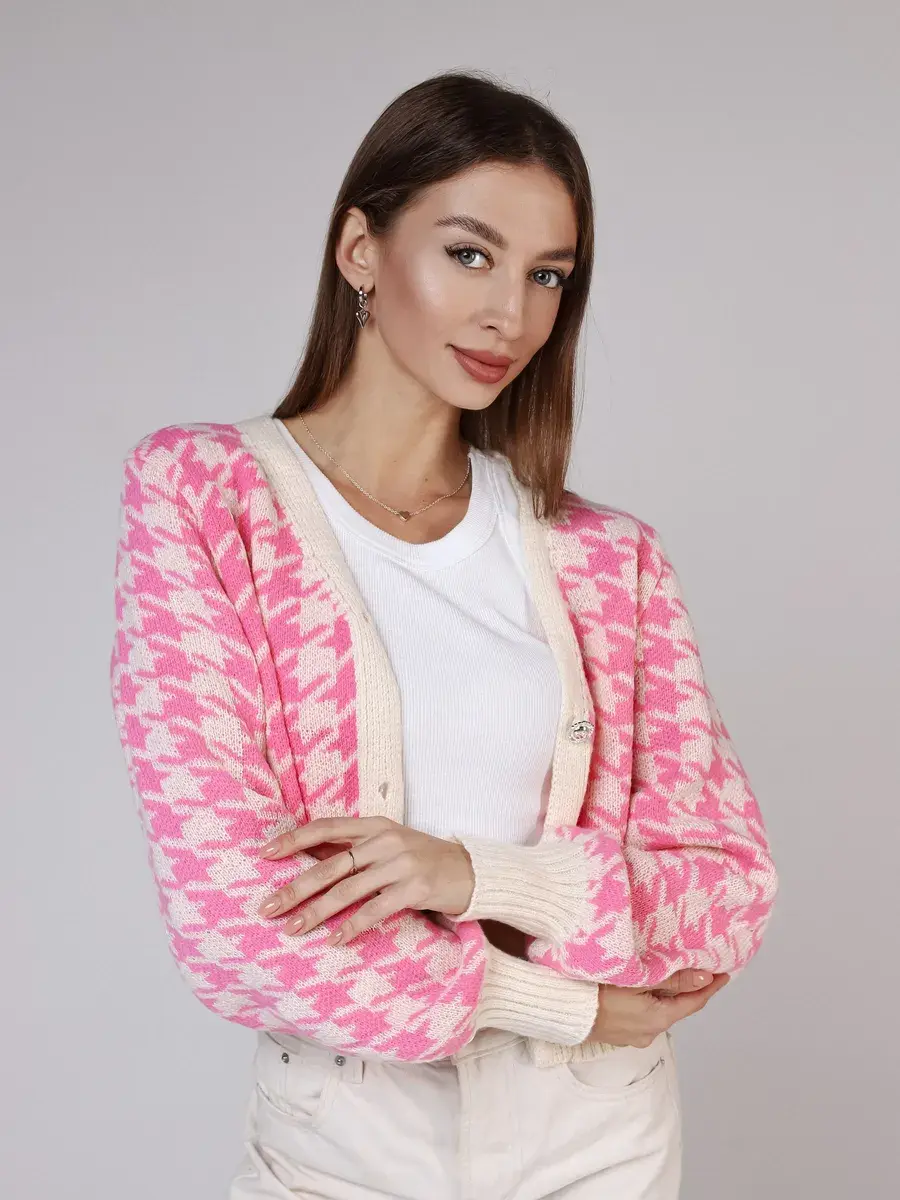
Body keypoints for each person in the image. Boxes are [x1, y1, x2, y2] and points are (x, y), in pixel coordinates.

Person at [109, 69, 778, 1200]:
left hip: (597, 1132)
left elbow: (727, 890)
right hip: (348, 1132)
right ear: (360, 249)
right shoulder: (205, 496)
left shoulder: (609, 560)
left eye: (547, 275)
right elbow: (233, 919)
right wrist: (558, 1001)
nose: (510, 313)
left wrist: (471, 874)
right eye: (470, 253)